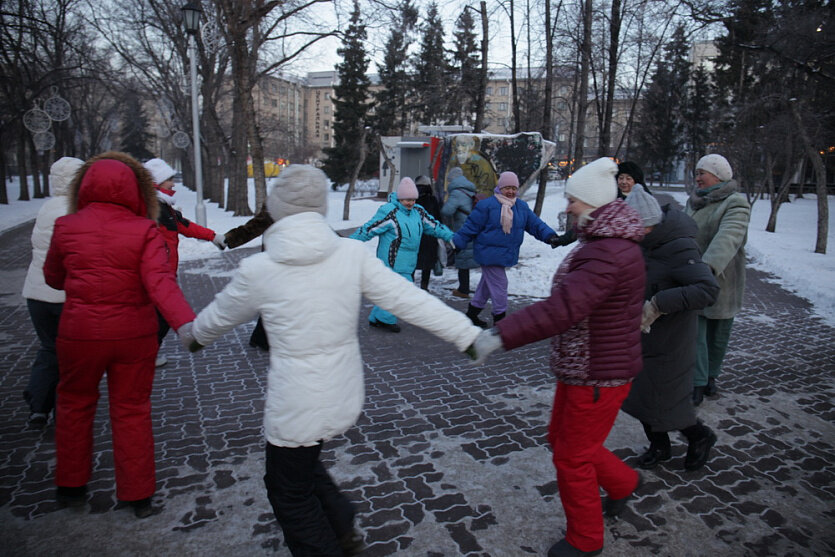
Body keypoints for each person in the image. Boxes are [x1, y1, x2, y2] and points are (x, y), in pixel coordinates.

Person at [179, 164, 481, 557]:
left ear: (278, 208)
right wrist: (466, 335)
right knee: (304, 466)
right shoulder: (351, 255)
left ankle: (334, 537)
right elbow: (411, 301)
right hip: (342, 394)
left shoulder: (260, 268)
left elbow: (215, 320)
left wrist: (194, 337)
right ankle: (341, 525)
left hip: (295, 405)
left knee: (287, 491)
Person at [469, 157, 646, 557]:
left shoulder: (606, 253)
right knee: (561, 441)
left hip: (599, 373)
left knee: (572, 458)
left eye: (573, 200)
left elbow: (562, 309)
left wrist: (500, 334)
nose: (567, 207)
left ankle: (585, 542)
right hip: (584, 368)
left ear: (595, 203)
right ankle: (623, 483)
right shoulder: (603, 243)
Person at [43, 151, 196, 518]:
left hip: (78, 335)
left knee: (74, 406)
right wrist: (187, 326)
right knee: (132, 410)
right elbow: (159, 283)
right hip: (133, 336)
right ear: (135, 190)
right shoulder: (143, 229)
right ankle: (137, 495)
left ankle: (71, 487)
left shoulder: (66, 226)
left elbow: (53, 278)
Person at [619, 184, 720, 471]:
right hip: (643, 335)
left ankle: (700, 436)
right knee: (641, 397)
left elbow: (707, 289)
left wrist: (659, 303)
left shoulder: (679, 246)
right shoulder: (643, 243)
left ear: (650, 225)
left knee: (667, 402)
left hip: (671, 341)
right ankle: (659, 446)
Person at [143, 158, 225, 366]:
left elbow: (184, 225)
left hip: (166, 272)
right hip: (156, 275)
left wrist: (213, 236)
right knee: (159, 318)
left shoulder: (164, 207)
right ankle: (144, 356)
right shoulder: (148, 209)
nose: (173, 184)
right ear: (156, 182)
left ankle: (146, 354)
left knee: (159, 319)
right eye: (169, 180)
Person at [21, 156, 84, 427]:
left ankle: (38, 406)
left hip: (36, 294)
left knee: (49, 349)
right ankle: (65, 411)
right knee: (72, 355)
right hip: (63, 294)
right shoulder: (77, 208)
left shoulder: (47, 207)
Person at [452, 171, 559, 328]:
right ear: (500, 188)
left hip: (505, 253)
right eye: (507, 188)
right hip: (488, 254)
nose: (510, 191)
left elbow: (536, 225)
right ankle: (500, 320)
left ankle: (471, 315)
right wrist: (457, 243)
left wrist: (550, 237)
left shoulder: (521, 207)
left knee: (486, 286)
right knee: (500, 286)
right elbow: (470, 227)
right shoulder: (486, 206)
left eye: (514, 188)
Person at [685, 154, 750, 406]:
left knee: (718, 334)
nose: (697, 178)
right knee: (697, 332)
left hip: (722, 280)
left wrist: (707, 268)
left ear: (719, 175)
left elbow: (728, 238)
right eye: (697, 173)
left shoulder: (735, 204)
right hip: (694, 277)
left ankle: (711, 377)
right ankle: (698, 382)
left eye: (702, 173)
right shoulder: (693, 202)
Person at [350, 177, 454, 333]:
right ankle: (386, 319)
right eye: (406, 200)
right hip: (391, 260)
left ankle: (376, 317)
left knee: (390, 291)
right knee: (401, 291)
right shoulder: (390, 212)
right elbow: (369, 229)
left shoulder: (418, 212)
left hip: (409, 261)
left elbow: (434, 225)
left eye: (412, 199)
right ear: (399, 198)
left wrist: (450, 236)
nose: (410, 203)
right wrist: (349, 242)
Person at [440, 167, 480, 298]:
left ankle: (463, 290)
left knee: (463, 259)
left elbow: (447, 211)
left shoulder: (456, 193)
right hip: (472, 226)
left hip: (462, 228)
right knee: (466, 258)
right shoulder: (469, 190)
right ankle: (466, 288)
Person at [414, 175, 442, 290]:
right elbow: (438, 219)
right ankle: (424, 286)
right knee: (428, 262)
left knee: (412, 261)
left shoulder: (412, 199)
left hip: (414, 234)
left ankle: (409, 285)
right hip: (429, 236)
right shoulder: (432, 200)